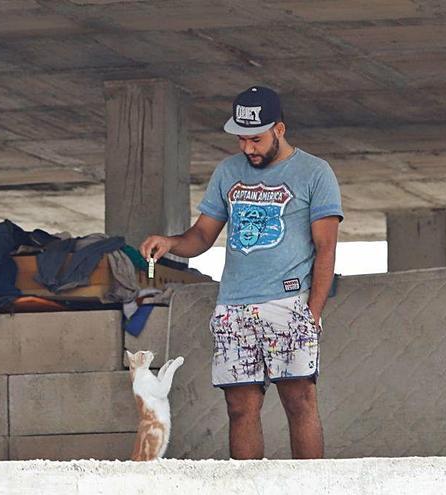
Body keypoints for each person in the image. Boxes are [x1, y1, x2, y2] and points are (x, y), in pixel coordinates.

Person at [139, 85, 343, 459]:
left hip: (289, 303)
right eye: (241, 139)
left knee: (299, 400)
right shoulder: (228, 172)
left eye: (256, 139)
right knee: (239, 408)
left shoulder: (315, 172)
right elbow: (202, 235)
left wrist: (313, 312)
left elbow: (325, 247)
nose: (248, 148)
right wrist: (170, 243)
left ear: (279, 129)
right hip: (233, 307)